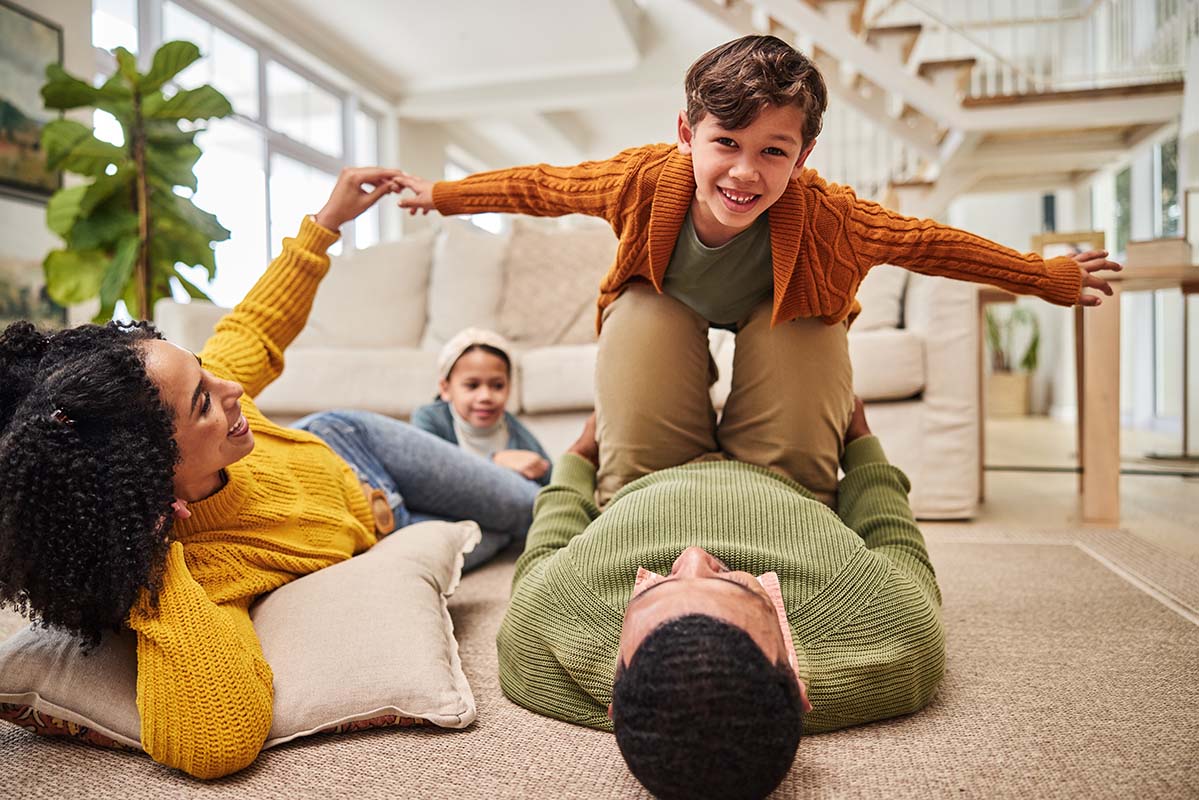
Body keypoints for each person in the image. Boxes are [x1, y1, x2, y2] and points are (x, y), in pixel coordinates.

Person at [391, 34, 1122, 508]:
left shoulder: (831, 215)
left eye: (773, 150)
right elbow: (542, 186)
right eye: (726, 143)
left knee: (802, 365)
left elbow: (930, 243)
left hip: (783, 313)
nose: (745, 172)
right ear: (687, 135)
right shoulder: (640, 180)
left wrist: (1042, 276)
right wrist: (446, 195)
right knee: (641, 332)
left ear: (801, 156)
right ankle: (652, 495)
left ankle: (780, 499)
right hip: (662, 306)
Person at [0, 168, 539, 779]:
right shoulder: (198, 570)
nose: (230, 389)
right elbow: (216, 740)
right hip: (388, 529)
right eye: (202, 402)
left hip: (354, 445)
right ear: (150, 474)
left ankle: (567, 460)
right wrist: (154, 567)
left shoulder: (217, 399)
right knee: (488, 539)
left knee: (528, 506)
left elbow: (252, 326)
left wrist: (325, 224)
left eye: (202, 370)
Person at [496, 397, 943, 800]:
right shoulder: (888, 637)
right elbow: (896, 541)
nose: (692, 555)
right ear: (798, 684)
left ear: (615, 697)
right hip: (791, 470)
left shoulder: (546, 636)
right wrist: (861, 443)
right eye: (730, 580)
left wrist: (579, 456)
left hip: (641, 470)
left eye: (656, 586)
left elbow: (547, 542)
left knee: (646, 307)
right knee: (799, 311)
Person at [411, 327, 552, 488]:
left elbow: (553, 481)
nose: (485, 396)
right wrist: (495, 462)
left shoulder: (519, 436)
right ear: (445, 388)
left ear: (510, 387)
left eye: (497, 386)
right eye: (472, 386)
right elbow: (425, 473)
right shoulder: (430, 419)